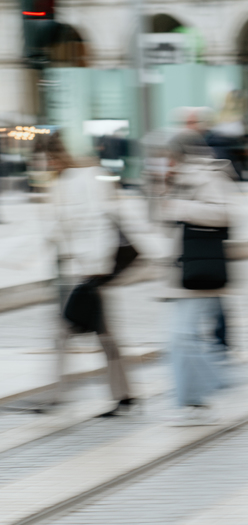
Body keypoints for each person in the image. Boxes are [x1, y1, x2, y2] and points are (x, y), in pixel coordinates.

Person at [43, 133, 135, 415]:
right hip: (79, 271)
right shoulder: (65, 182)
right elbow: (59, 228)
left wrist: (96, 269)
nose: (44, 166)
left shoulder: (81, 180)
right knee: (101, 335)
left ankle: (57, 397)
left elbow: (99, 222)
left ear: (56, 157)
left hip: (88, 272)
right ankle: (123, 394)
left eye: (46, 160)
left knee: (70, 332)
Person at [160, 130, 238, 425]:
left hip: (200, 270)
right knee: (180, 339)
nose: (164, 161)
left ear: (178, 155)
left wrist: (181, 207)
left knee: (182, 338)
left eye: (167, 156)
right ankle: (194, 401)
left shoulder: (207, 176)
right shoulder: (175, 178)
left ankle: (206, 392)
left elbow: (224, 214)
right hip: (182, 270)